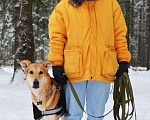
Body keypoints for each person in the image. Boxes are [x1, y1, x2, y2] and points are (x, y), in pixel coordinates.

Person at [48, 0, 131, 119]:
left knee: (96, 115)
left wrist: (123, 60)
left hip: (102, 68)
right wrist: (56, 64)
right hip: (73, 70)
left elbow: (119, 35)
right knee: (73, 115)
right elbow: (57, 38)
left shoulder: (111, 4)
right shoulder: (64, 6)